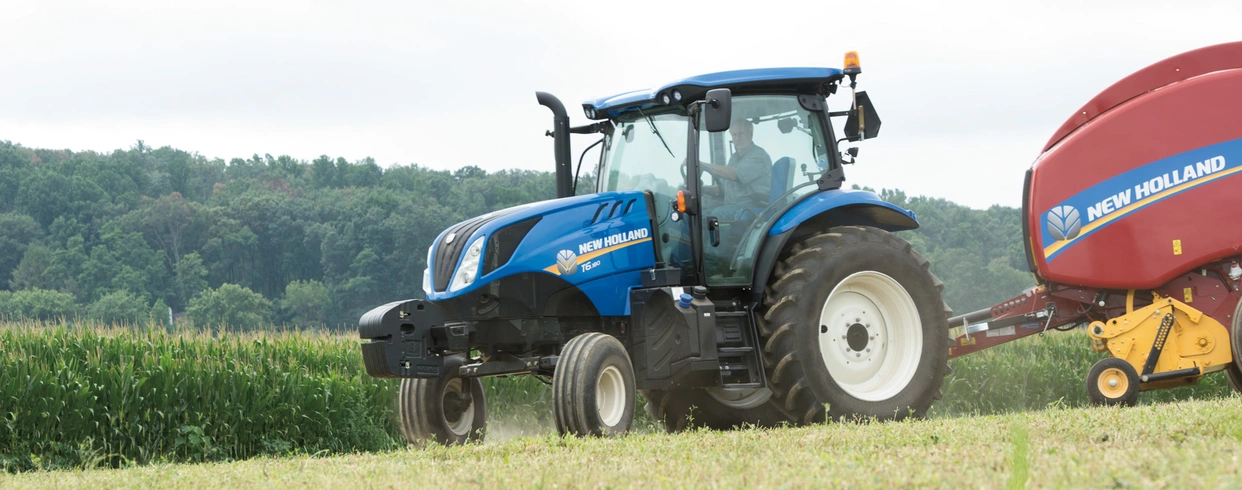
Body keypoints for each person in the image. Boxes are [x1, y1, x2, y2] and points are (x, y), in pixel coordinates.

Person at [701, 118, 772, 213]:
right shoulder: (734, 158)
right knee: (694, 214)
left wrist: (701, 165)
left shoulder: (758, 155)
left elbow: (734, 175)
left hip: (752, 206)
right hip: (733, 205)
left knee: (717, 214)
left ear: (751, 134)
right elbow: (725, 187)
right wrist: (703, 189)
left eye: (741, 134)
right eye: (734, 135)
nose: (737, 139)